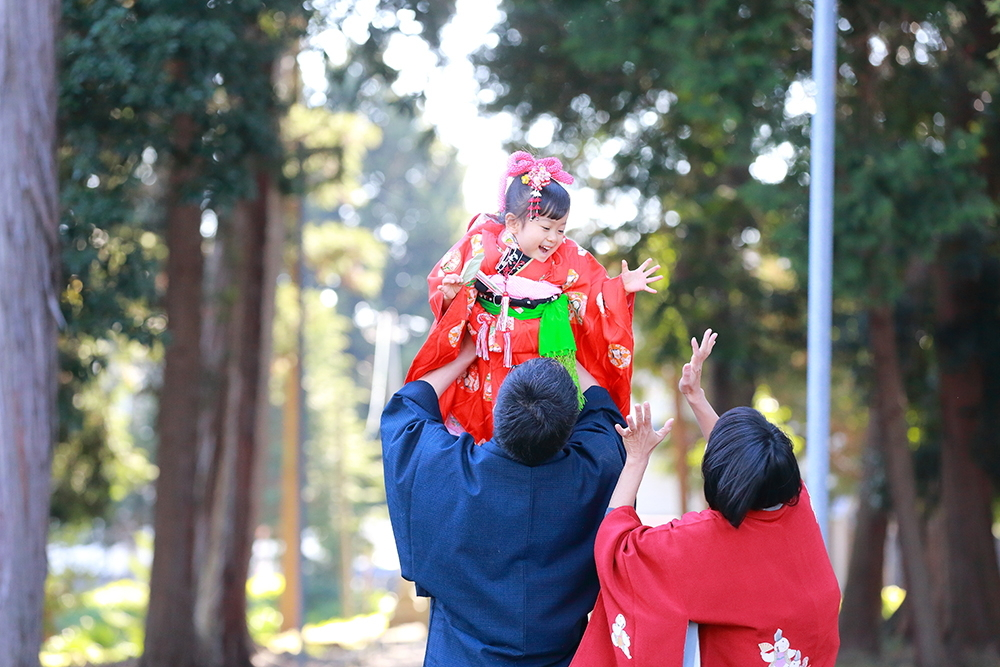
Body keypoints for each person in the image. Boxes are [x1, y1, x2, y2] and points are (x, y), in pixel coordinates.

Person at [570, 330, 841, 667]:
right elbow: (746, 465)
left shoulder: (708, 540)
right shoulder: (793, 498)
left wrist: (636, 458)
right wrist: (695, 396)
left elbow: (618, 550)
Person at [380, 336, 628, 666]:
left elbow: (405, 410)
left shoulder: (448, 474)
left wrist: (464, 356)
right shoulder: (596, 471)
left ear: (496, 409)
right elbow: (602, 410)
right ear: (570, 426)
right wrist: (563, 348)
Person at [405, 150, 661, 443]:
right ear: (514, 222)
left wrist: (620, 288)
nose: (554, 238)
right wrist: (452, 294)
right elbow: (445, 282)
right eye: (546, 227)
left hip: (542, 353)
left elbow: (593, 292)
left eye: (561, 229)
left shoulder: (569, 256)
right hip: (486, 350)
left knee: (538, 423)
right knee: (480, 425)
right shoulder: (480, 243)